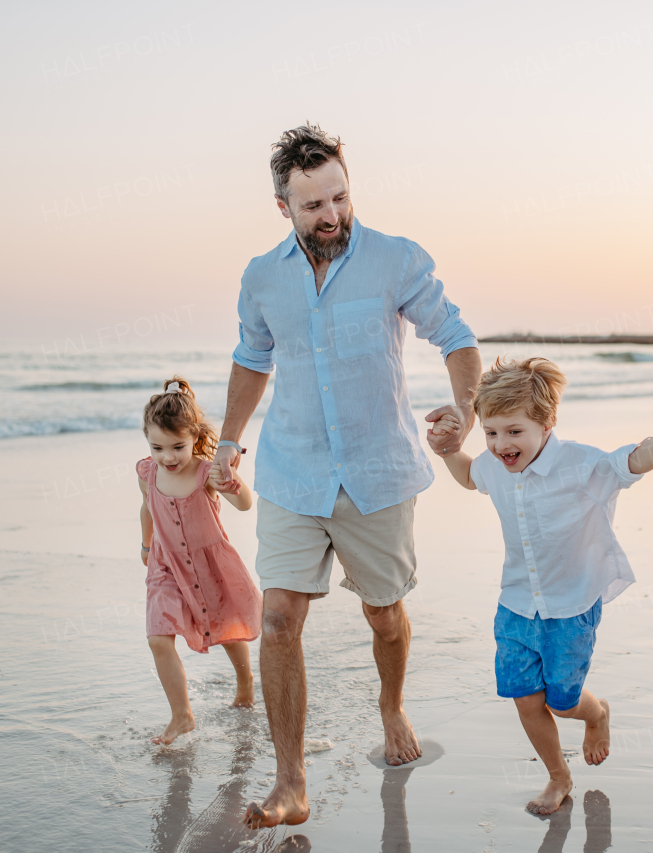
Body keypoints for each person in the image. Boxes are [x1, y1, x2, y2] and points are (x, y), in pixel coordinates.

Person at [211, 123, 483, 828]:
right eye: (311, 205)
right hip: (292, 471)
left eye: (338, 196)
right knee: (277, 619)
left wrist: (463, 409)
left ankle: (391, 705)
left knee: (384, 613)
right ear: (283, 208)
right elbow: (252, 357)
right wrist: (230, 440)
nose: (330, 216)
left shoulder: (395, 260)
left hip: (377, 471)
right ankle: (291, 780)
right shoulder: (262, 276)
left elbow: (454, 336)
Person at [429, 356, 653, 815]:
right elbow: (467, 475)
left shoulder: (582, 464)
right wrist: (445, 450)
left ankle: (596, 714)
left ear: (547, 422)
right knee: (524, 698)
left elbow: (638, 458)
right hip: (515, 605)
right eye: (492, 433)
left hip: (571, 607)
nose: (500, 445)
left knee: (562, 703)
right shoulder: (495, 466)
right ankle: (558, 777)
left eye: (514, 431)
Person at [137, 377, 261, 745]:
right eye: (158, 447)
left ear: (195, 438)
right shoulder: (147, 472)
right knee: (158, 637)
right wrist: (145, 546)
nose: (168, 457)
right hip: (166, 566)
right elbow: (147, 508)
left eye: (178, 446)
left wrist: (234, 485)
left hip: (210, 565)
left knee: (226, 627)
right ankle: (182, 715)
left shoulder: (207, 472)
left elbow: (245, 504)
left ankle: (246, 681)